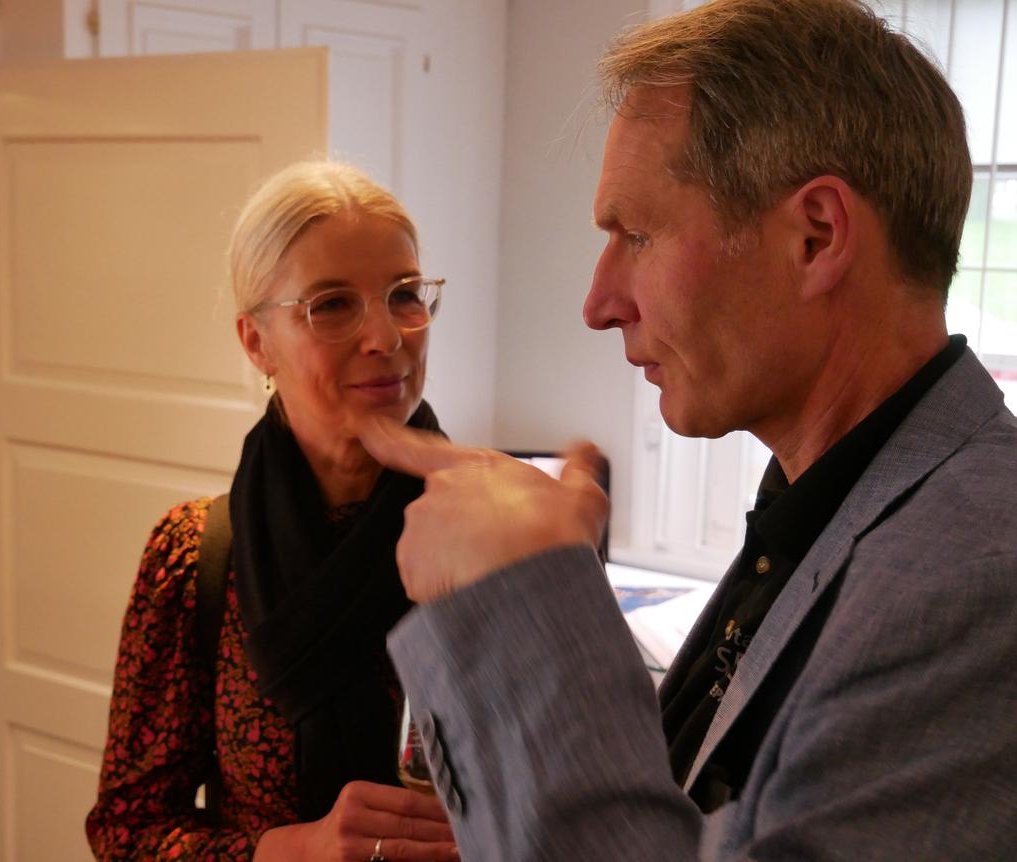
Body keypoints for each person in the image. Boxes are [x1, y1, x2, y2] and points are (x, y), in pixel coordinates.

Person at [351, 1, 1017, 859]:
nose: (599, 304)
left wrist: (524, 605)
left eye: (637, 234)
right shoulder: (828, 514)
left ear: (816, 237)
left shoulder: (980, 574)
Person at [86, 160, 460, 861]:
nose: (386, 337)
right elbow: (128, 830)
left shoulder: (489, 537)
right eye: (333, 304)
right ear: (256, 341)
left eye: (405, 294)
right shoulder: (195, 555)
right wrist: (293, 852)